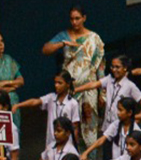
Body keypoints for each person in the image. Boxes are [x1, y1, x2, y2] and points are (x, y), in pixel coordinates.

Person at [43, 7, 107, 142]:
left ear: (84, 18)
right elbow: (46, 49)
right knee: (69, 124)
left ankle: (89, 159)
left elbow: (100, 66)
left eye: (77, 18)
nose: (74, 22)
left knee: (90, 123)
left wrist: (103, 93)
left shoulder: (94, 38)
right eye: (72, 19)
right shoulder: (64, 35)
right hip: (69, 89)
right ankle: (71, 157)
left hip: (89, 87)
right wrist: (62, 44)